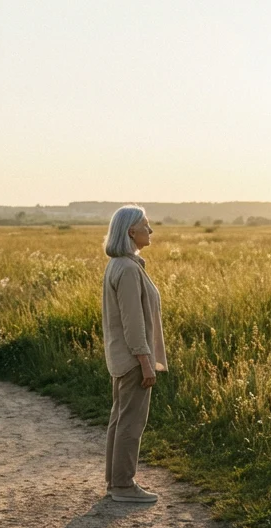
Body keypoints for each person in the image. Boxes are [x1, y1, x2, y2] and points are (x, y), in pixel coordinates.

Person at [101, 205, 167, 503]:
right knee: (131, 421)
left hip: (121, 356)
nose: (150, 231)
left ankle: (115, 482)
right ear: (131, 232)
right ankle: (124, 486)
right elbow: (133, 322)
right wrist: (146, 362)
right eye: (146, 226)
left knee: (120, 418)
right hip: (132, 359)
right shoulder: (127, 269)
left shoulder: (121, 265)